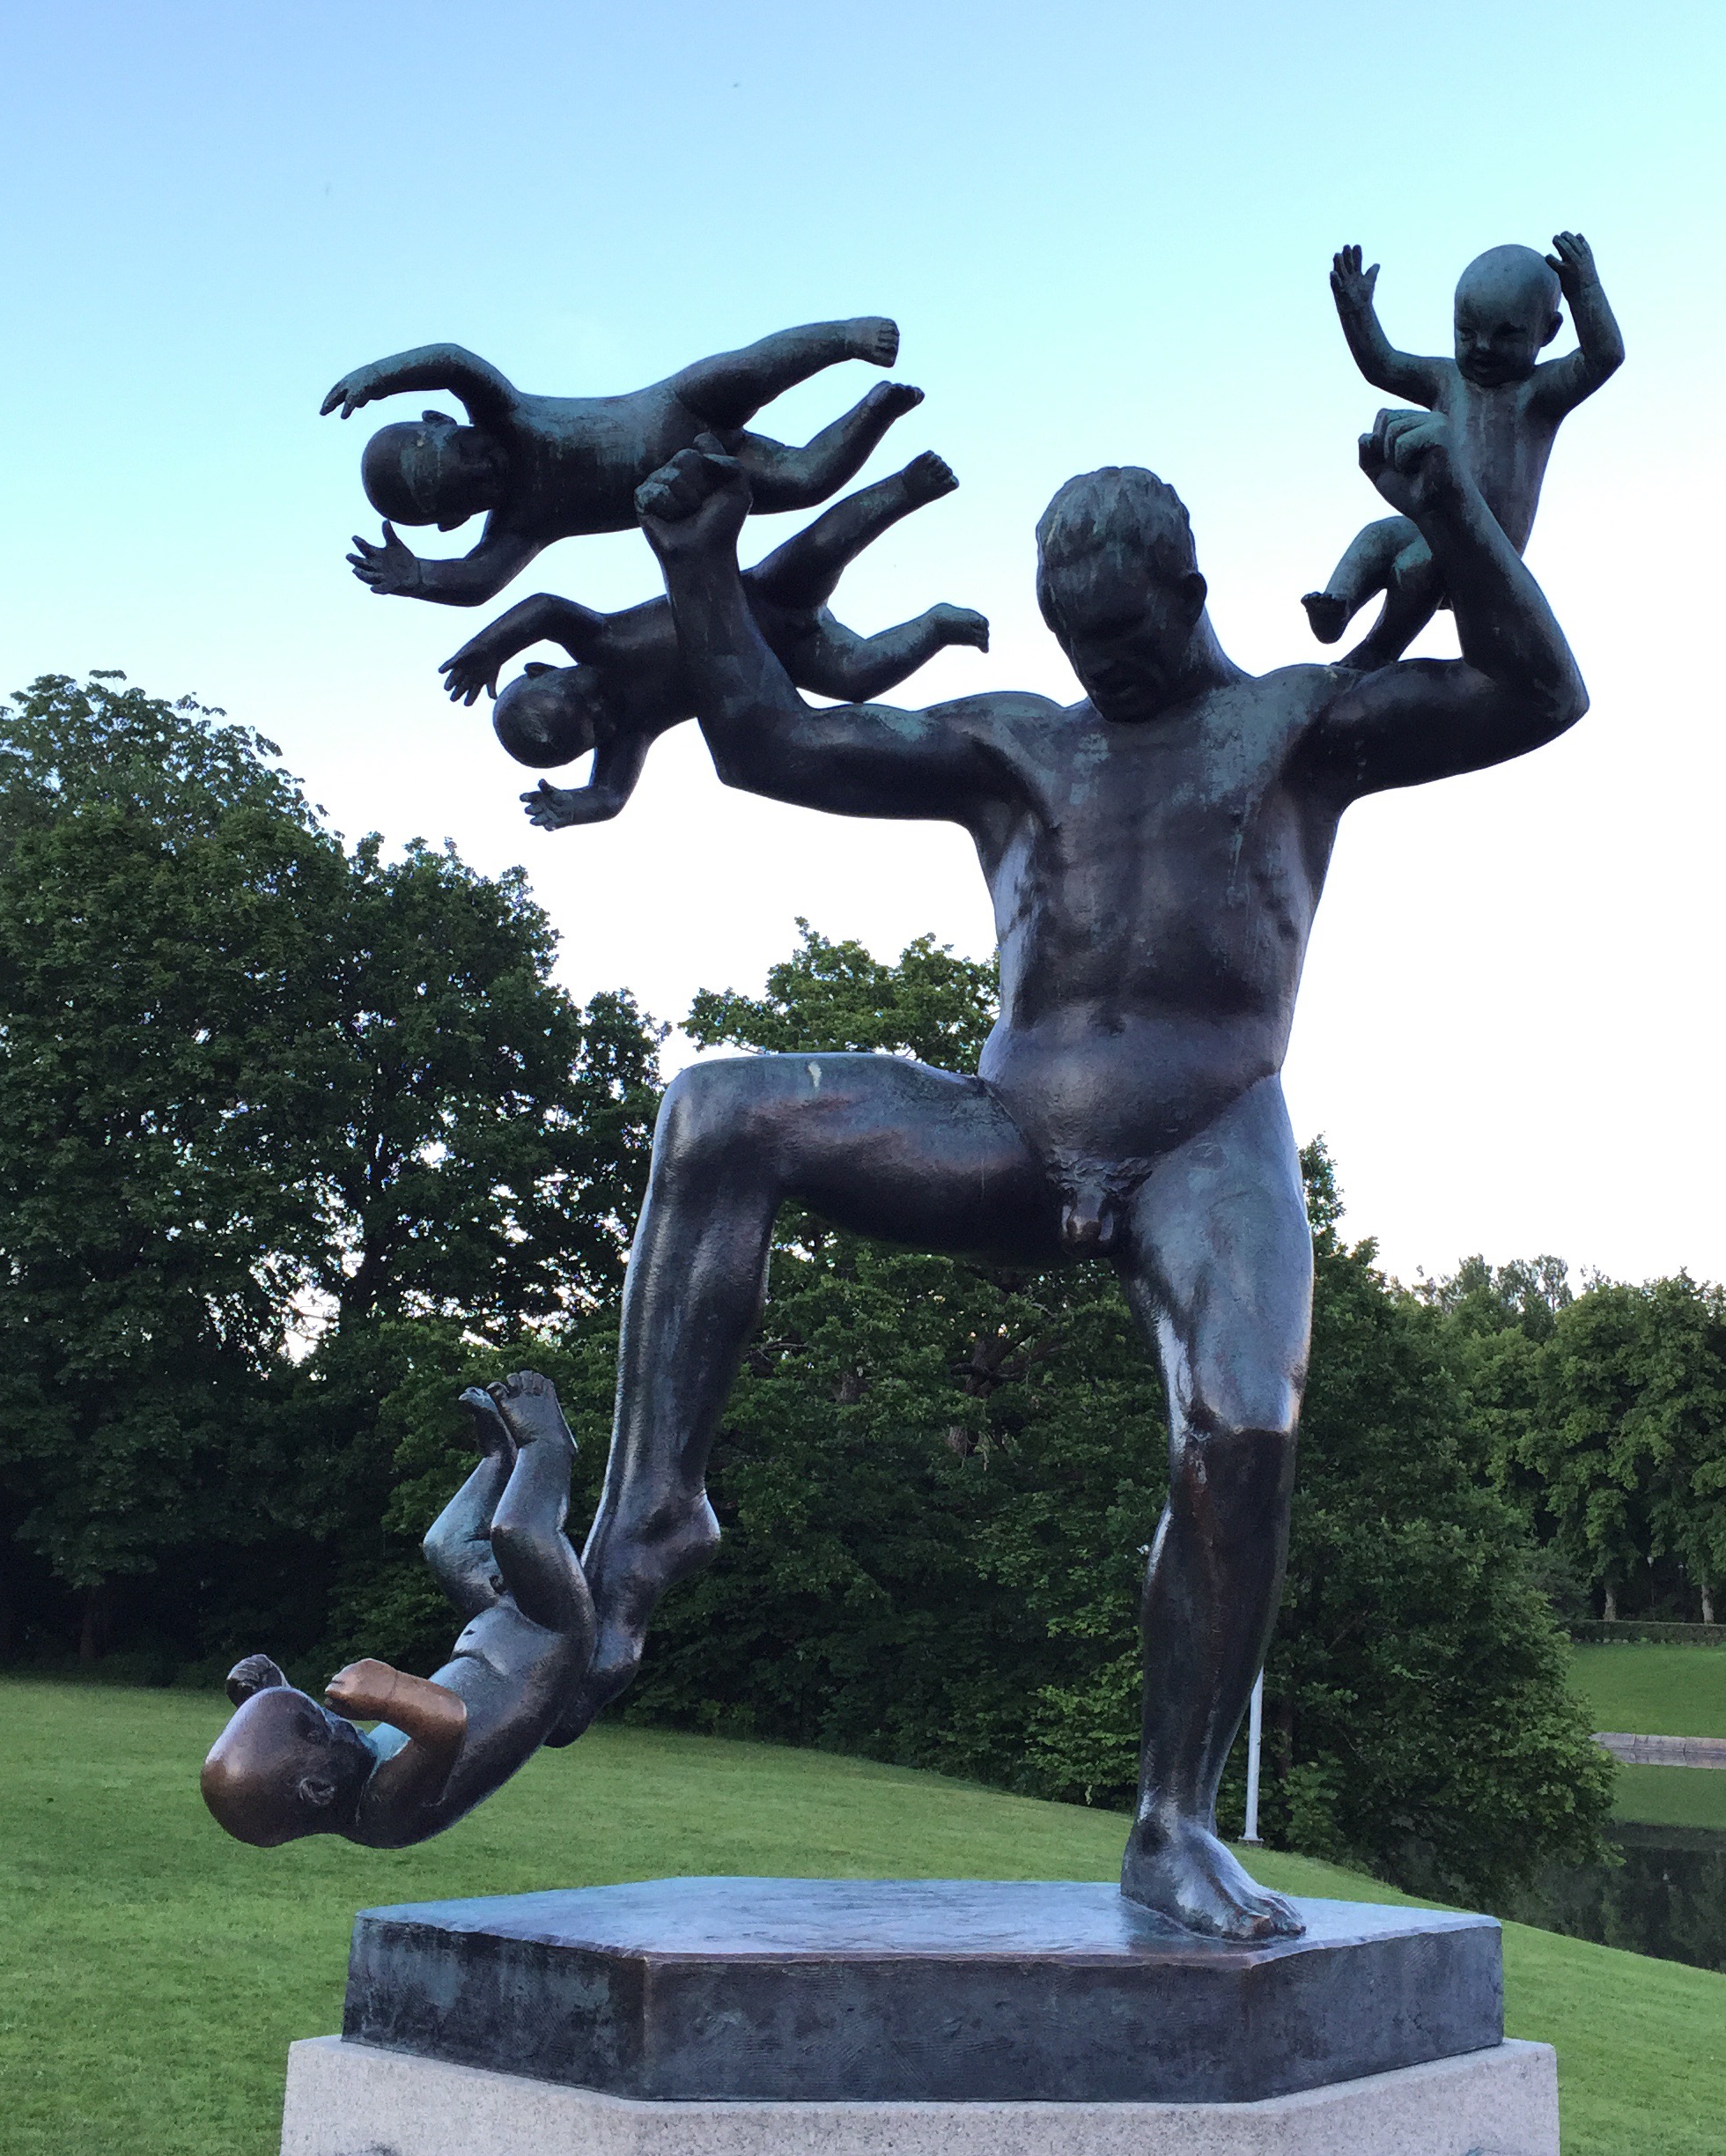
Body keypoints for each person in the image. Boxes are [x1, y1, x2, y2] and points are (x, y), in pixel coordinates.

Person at [550, 404, 1589, 1943]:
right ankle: (649, 1523)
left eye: (1124, 636)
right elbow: (773, 743)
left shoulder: (1298, 724)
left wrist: (1456, 514)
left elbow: (1537, 692)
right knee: (714, 1110)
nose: (1103, 667)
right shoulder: (1021, 742)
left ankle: (1173, 1823)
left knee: (1244, 1424)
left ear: (1188, 592)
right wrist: (699, 568)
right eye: (1076, 642)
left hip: (1205, 1134)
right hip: (1010, 1126)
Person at [439, 453, 988, 830]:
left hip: (758, 597)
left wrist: (490, 646)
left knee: (821, 549)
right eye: (595, 727)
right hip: (783, 664)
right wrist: (574, 807)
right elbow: (611, 795)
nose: (603, 708)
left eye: (583, 697)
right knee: (858, 675)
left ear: (543, 669)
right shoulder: (631, 731)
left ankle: (905, 487)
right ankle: (936, 625)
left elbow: (544, 608)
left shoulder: (597, 639)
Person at [200, 1374, 592, 1850]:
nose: (331, 1717)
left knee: (445, 1544)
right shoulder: (383, 1810)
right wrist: (387, 1692)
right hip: (547, 1638)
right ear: (319, 1790)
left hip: (497, 1627)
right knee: (516, 1534)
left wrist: (269, 1693)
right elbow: (447, 1721)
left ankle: (499, 1460)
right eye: (320, 1727)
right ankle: (547, 1444)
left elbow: (305, 1742)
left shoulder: (349, 1771)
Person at [320, 317, 918, 607]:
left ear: (445, 421)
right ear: (456, 520)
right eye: (469, 490)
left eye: (467, 453)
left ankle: (844, 338)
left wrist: (381, 375)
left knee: (749, 372)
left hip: (676, 406)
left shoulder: (506, 414)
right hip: (700, 476)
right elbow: (479, 582)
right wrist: (418, 577)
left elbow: (454, 361)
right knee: (808, 479)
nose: (484, 470)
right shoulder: (522, 524)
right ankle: (877, 410)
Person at [1302, 233, 1622, 667]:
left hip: (1489, 544)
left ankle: (1378, 650)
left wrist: (1586, 291)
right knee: (1380, 536)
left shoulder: (1539, 393)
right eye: (1467, 333)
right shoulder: (1446, 379)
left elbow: (1604, 356)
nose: (1483, 347)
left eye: (1506, 335)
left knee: (1424, 561)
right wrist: (1356, 311)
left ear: (1547, 332)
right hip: (1434, 521)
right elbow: (1383, 365)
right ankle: (1337, 605)